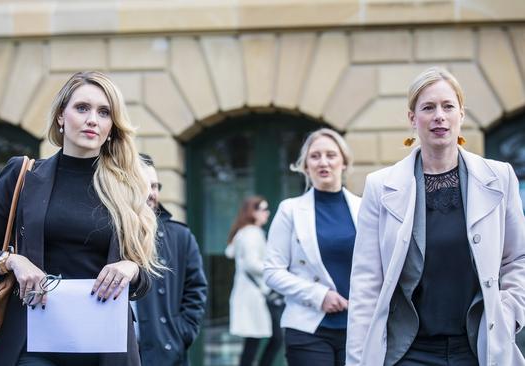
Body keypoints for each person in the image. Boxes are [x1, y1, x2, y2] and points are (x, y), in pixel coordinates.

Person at [0, 71, 160, 366]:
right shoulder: (23, 176)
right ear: (61, 117)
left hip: (105, 344)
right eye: (82, 108)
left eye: (104, 112)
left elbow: (144, 283)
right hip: (31, 343)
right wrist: (13, 261)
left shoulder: (129, 188)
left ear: (112, 127)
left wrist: (131, 268)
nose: (93, 119)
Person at [346, 67, 525, 366]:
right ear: (412, 119)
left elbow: (517, 259)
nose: (439, 116)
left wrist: (508, 313)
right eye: (428, 107)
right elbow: (366, 282)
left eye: (448, 106)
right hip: (409, 352)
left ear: (461, 115)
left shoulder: (499, 177)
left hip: (478, 348)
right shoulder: (381, 187)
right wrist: (357, 359)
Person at [263, 128, 361, 366]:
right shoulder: (290, 210)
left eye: (331, 155)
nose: (323, 162)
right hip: (308, 328)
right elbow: (272, 271)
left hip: (359, 329)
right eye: (315, 156)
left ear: (344, 162)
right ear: (305, 166)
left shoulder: (365, 208)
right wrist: (319, 295)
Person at [134, 153, 208, 366]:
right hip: (119, 354)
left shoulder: (180, 236)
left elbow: (196, 291)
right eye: (143, 185)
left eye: (155, 186)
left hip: (167, 354)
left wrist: (181, 333)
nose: (151, 193)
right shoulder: (106, 233)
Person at [225, 196, 283, 366]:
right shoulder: (252, 233)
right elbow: (252, 263)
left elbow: (231, 253)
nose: (267, 213)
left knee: (255, 340)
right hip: (254, 296)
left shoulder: (243, 232)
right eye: (263, 209)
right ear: (252, 212)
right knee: (267, 338)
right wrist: (275, 268)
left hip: (250, 295)